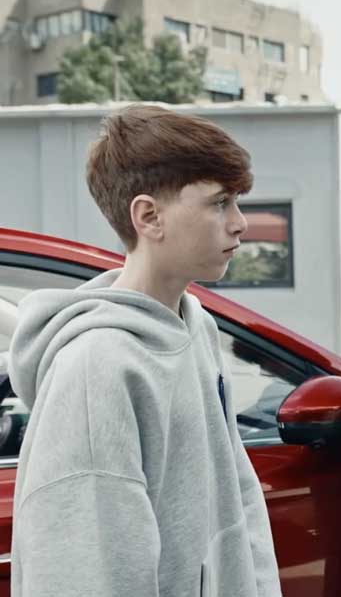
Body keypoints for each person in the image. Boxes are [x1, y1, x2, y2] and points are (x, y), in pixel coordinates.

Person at [8, 105, 282, 596]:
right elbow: (88, 574)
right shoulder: (97, 366)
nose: (240, 223)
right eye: (220, 203)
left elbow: (236, 497)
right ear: (149, 217)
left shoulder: (195, 325)